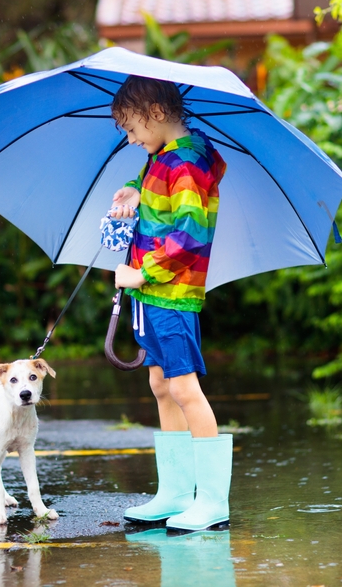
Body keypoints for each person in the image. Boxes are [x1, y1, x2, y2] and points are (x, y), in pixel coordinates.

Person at [108, 75, 231, 532]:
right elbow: (152, 190)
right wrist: (133, 190)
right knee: (161, 385)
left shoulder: (186, 165)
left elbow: (191, 234)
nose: (131, 139)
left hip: (172, 295)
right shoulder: (161, 159)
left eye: (132, 129)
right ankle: (176, 492)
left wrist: (144, 271)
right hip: (152, 296)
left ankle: (213, 500)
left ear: (155, 114)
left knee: (184, 389)